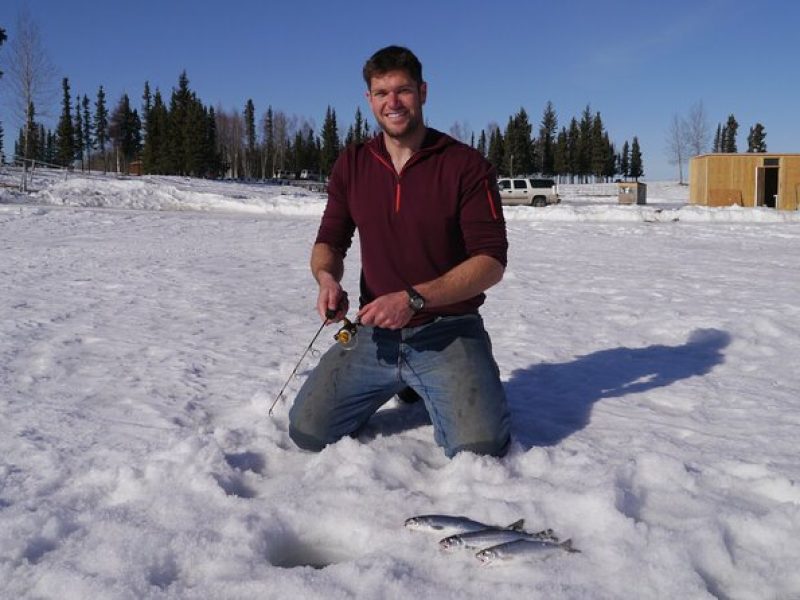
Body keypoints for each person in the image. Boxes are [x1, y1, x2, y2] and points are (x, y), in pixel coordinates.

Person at [288, 45, 511, 458]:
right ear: (369, 99)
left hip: (448, 329)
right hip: (376, 333)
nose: (393, 102)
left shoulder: (465, 165)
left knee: (479, 447)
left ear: (423, 92)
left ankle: (446, 377)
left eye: (403, 90)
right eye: (381, 92)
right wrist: (326, 279)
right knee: (308, 432)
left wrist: (413, 298)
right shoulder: (353, 164)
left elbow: (491, 262)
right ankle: (407, 381)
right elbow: (330, 241)